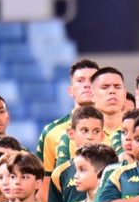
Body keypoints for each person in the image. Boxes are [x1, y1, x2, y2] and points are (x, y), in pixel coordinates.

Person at [36, 59, 99, 187]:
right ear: (70, 91)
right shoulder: (51, 132)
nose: (87, 85)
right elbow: (42, 185)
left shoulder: (117, 128)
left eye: (92, 80)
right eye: (80, 81)